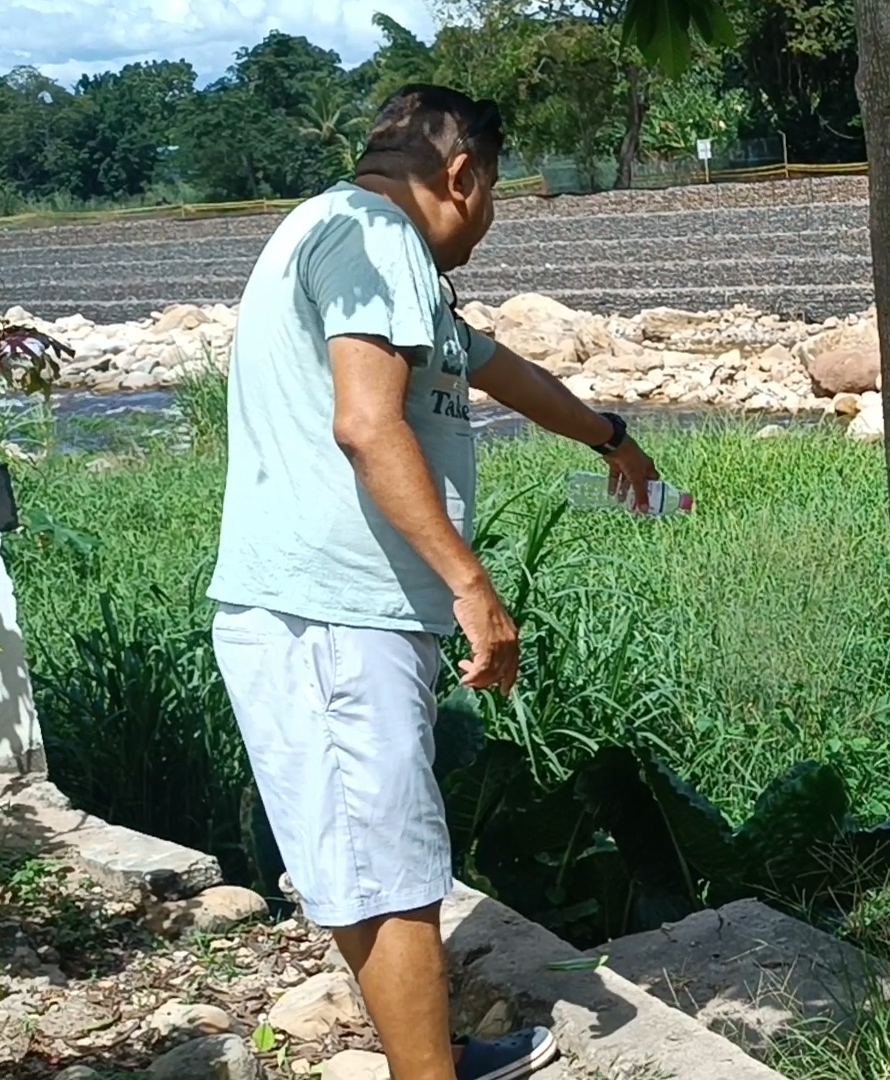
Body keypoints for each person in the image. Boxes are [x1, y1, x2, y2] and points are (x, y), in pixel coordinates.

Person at [206, 84, 661, 1080]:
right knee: (394, 878)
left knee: (370, 867)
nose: (489, 219)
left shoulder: (371, 248)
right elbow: (368, 425)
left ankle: (433, 1059)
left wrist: (610, 438)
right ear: (461, 174)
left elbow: (495, 367)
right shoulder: (375, 239)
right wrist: (473, 587)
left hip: (332, 612)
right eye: (493, 191)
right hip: (331, 613)